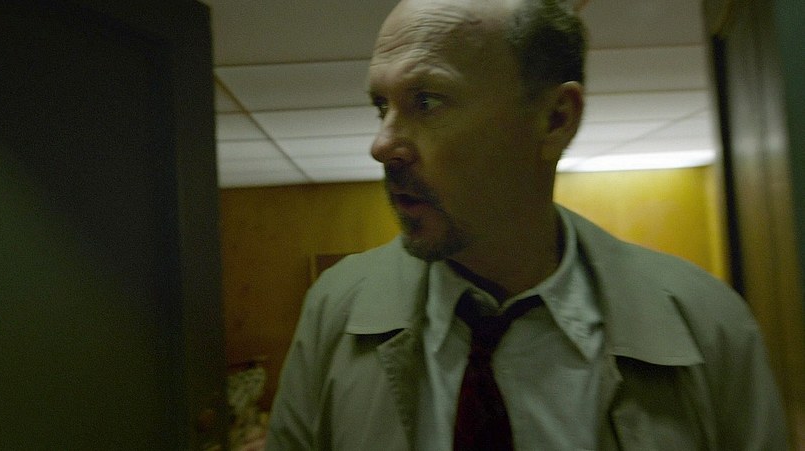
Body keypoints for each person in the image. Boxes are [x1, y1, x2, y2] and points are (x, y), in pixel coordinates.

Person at [265, 0, 788, 449]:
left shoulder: (708, 327)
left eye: (426, 101)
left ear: (555, 119)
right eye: (381, 105)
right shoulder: (335, 312)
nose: (381, 144)